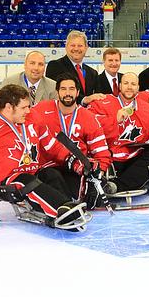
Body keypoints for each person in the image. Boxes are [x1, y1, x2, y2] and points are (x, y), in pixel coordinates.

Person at [0, 84, 90, 231]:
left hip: (31, 173)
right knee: (24, 181)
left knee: (51, 173)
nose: (28, 111)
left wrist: (73, 161)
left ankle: (66, 205)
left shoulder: (33, 118)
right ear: (8, 107)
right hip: (6, 181)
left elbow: (51, 145)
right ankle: (63, 212)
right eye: (23, 107)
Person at [29, 75, 112, 209]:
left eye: (71, 89)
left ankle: (70, 204)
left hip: (75, 168)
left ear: (78, 92)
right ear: (57, 92)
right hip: (48, 167)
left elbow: (101, 151)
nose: (67, 93)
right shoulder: (40, 110)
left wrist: (99, 173)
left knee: (85, 194)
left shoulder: (88, 117)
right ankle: (67, 208)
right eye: (63, 89)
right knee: (52, 177)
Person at [88, 72, 149, 193]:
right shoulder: (102, 102)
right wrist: (114, 120)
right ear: (119, 86)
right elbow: (89, 126)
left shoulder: (148, 109)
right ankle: (122, 183)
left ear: (138, 88)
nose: (129, 87)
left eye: (133, 84)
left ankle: (114, 186)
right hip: (110, 157)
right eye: (126, 83)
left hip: (133, 157)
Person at [45, 30, 101, 105]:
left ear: (86, 48)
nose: (76, 49)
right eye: (73, 45)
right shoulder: (55, 66)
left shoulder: (92, 73)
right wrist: (84, 99)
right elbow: (55, 93)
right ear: (66, 47)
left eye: (80, 45)